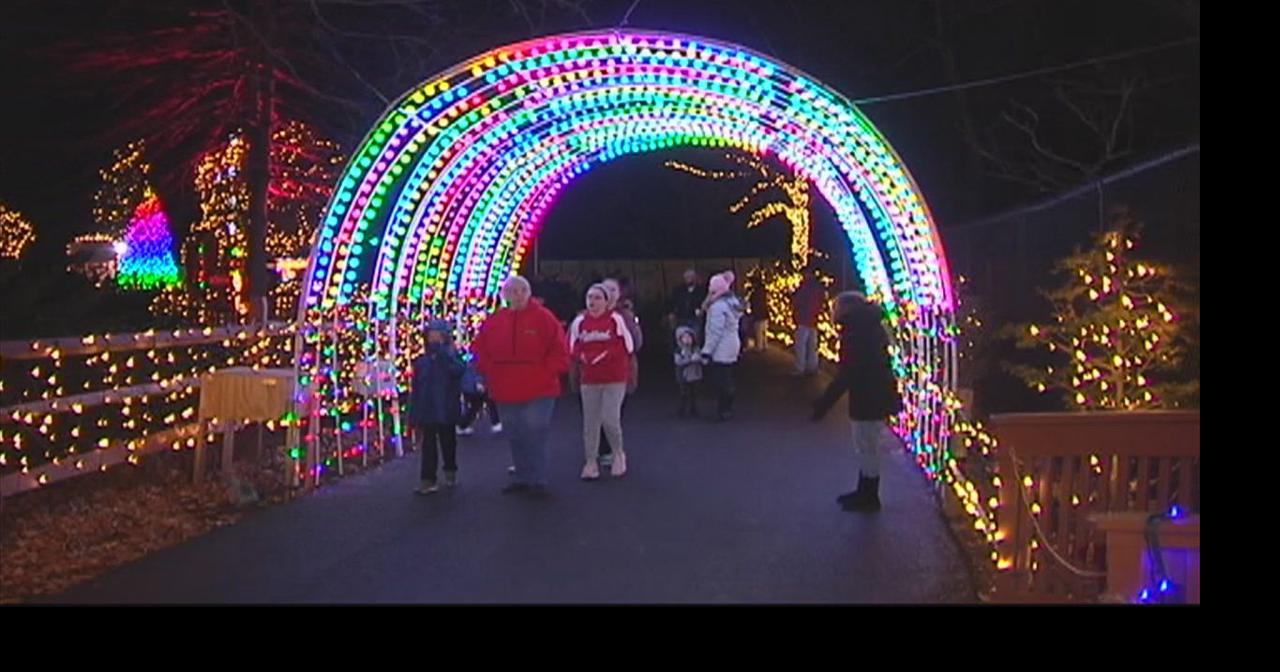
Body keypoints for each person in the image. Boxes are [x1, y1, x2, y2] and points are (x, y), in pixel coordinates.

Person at [473, 276, 570, 497]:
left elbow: (560, 351)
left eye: (521, 290)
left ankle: (537, 478)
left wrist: (545, 372)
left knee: (535, 429)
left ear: (528, 293)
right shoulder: (495, 321)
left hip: (540, 388)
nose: (517, 295)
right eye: (512, 291)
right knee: (514, 431)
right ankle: (523, 476)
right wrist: (491, 371)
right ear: (505, 295)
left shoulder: (545, 319)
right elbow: (480, 349)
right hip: (506, 388)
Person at [811, 291, 904, 513]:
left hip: (868, 395)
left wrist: (824, 404)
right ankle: (864, 491)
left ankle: (869, 496)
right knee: (865, 445)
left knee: (867, 446)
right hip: (874, 392)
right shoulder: (868, 327)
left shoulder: (855, 333)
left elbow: (848, 372)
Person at [569, 284, 635, 479]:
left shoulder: (616, 320)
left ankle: (618, 454)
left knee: (610, 418)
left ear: (606, 302)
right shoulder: (579, 322)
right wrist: (584, 358)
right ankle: (590, 462)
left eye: (598, 297)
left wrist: (604, 355)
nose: (593, 302)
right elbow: (572, 347)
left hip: (614, 377)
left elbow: (628, 346)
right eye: (590, 297)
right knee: (590, 422)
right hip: (589, 378)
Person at [408, 319, 465, 494]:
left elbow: (458, 371)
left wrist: (444, 354)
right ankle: (428, 478)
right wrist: (414, 411)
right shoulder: (422, 360)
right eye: (430, 334)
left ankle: (450, 469)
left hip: (446, 407)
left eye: (436, 334)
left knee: (448, 441)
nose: (433, 338)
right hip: (428, 408)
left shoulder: (450, 356)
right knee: (429, 444)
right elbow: (417, 387)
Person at [700, 271, 745, 421]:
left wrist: (707, 351)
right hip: (732, 344)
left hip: (721, 347)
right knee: (727, 376)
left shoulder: (718, 307)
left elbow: (715, 331)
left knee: (720, 380)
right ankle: (727, 408)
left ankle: (723, 409)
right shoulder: (732, 303)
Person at [457, 356, 502, 435]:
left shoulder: (468, 355)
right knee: (486, 403)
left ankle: (462, 425)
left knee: (477, 406)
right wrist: (479, 381)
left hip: (470, 385)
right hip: (475, 385)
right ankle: (496, 423)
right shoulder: (478, 355)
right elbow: (477, 368)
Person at [792, 267, 825, 376]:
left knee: (801, 345)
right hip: (813, 319)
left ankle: (800, 368)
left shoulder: (804, 287)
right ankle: (812, 366)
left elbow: (798, 300)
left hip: (803, 318)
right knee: (812, 345)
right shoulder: (818, 287)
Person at [673, 325, 703, 417]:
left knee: (694, 393)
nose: (687, 339)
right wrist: (690, 359)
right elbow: (678, 361)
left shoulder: (695, 349)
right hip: (684, 376)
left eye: (689, 337)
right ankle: (682, 410)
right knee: (684, 393)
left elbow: (701, 358)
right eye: (684, 337)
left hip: (695, 376)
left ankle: (694, 409)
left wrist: (699, 358)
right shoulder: (679, 350)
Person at [667, 268, 706, 333]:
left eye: (690, 277)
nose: (688, 279)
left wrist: (701, 310)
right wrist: (671, 313)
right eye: (687, 277)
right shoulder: (678, 290)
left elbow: (705, 302)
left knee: (695, 336)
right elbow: (671, 302)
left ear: (695, 278)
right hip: (681, 318)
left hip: (695, 318)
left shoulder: (701, 290)